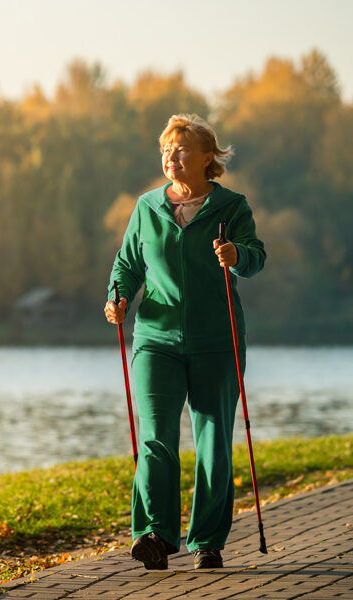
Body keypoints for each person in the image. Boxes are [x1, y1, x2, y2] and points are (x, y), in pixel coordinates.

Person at [104, 114, 265, 570]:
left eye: (180, 150)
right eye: (165, 151)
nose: (170, 158)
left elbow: (255, 259)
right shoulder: (147, 207)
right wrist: (116, 298)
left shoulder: (231, 207)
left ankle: (208, 540)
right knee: (156, 437)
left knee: (213, 442)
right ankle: (155, 533)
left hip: (217, 340)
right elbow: (128, 265)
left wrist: (237, 256)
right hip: (156, 339)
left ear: (207, 157)